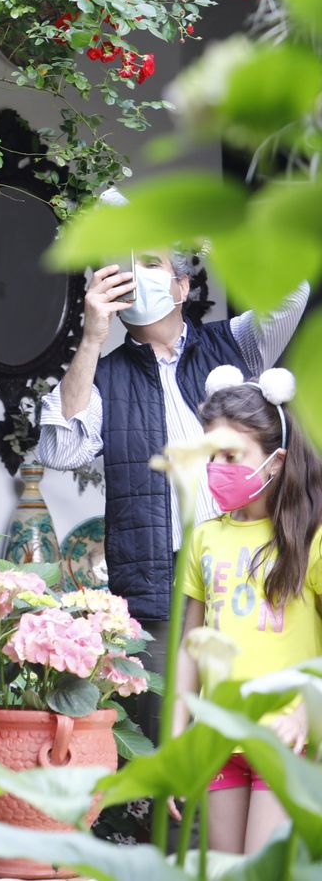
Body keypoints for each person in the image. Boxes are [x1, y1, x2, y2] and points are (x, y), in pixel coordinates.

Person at [36, 241, 309, 738]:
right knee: (170, 744)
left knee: (256, 738)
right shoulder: (107, 375)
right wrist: (93, 337)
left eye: (152, 265)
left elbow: (292, 293)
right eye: (123, 269)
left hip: (253, 576)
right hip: (159, 592)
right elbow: (61, 450)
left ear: (182, 286)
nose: (136, 277)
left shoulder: (235, 345)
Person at [175, 365, 322, 853]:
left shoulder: (310, 539)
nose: (217, 467)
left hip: (285, 740)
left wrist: (303, 716)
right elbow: (189, 649)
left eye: (231, 456)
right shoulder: (204, 537)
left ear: (276, 460)